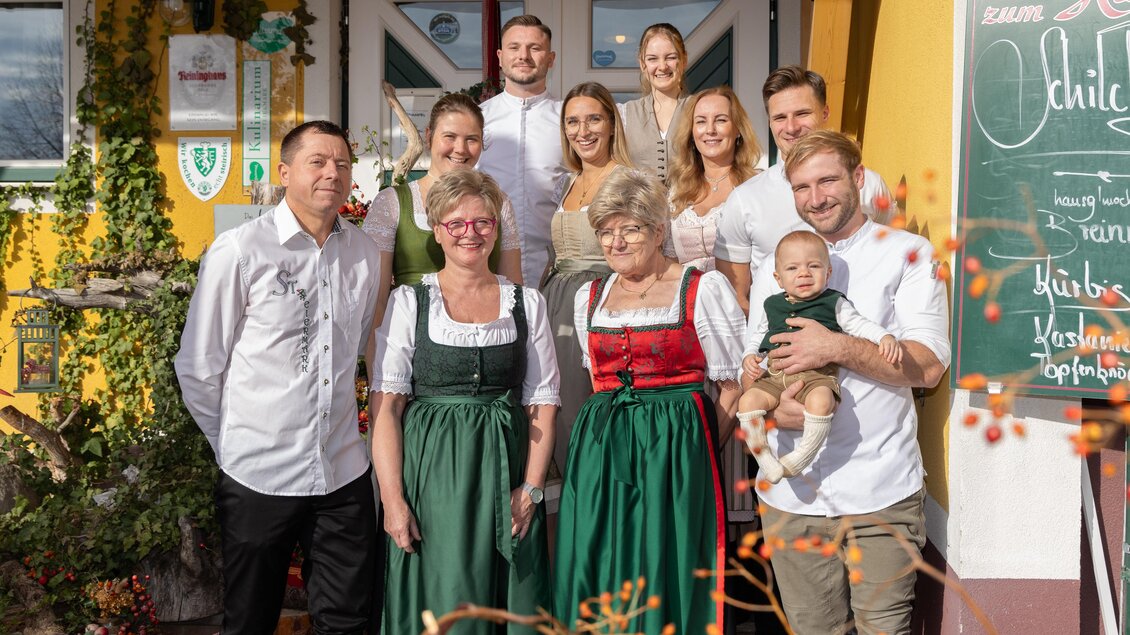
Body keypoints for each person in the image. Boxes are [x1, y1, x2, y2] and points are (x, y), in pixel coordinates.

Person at [175, 120, 382, 634]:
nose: (332, 172)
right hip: (257, 474)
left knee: (348, 619)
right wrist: (233, 447)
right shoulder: (241, 250)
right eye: (318, 161)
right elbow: (199, 367)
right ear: (284, 172)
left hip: (341, 470)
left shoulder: (364, 253)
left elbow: (355, 348)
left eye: (341, 162)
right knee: (250, 621)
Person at [746, 130, 948, 634]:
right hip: (793, 497)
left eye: (828, 180)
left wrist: (834, 347)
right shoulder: (773, 269)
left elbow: (928, 368)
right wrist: (771, 410)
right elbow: (758, 361)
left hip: (881, 492)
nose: (815, 198)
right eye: (801, 187)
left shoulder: (908, 253)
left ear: (857, 178)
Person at [555, 168, 745, 634]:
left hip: (676, 455)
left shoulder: (701, 288)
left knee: (666, 562)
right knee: (600, 561)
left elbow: (734, 385)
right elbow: (596, 377)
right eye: (605, 231)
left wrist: (697, 445)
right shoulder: (590, 296)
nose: (616, 242)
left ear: (659, 230)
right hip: (600, 457)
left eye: (630, 229)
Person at [369, 169, 559, 634]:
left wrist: (531, 490)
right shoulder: (409, 302)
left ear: (496, 228)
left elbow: (543, 403)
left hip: (506, 470)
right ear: (437, 231)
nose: (470, 234)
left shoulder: (526, 302)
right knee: (445, 591)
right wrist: (393, 501)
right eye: (456, 224)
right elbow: (387, 411)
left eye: (482, 223)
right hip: (433, 479)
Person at [715, 65, 894, 314]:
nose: (791, 127)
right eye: (779, 118)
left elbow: (893, 254)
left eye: (802, 113)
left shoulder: (868, 185)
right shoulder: (745, 200)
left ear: (825, 113)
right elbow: (736, 298)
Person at [738, 230, 900, 484]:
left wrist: (884, 337)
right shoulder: (772, 304)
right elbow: (760, 334)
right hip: (775, 376)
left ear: (828, 273)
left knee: (822, 401)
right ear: (778, 279)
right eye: (793, 268)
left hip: (816, 377)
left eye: (813, 266)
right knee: (747, 402)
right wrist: (751, 355)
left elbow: (859, 325)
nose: (804, 273)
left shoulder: (833, 302)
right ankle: (765, 459)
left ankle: (803, 454)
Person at [363, 93, 523, 320]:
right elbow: (376, 301)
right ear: (428, 136)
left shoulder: (500, 202)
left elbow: (513, 288)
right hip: (410, 338)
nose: (460, 149)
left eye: (471, 139)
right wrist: (376, 353)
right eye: (450, 136)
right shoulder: (392, 202)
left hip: (485, 333)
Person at [540, 81, 632, 477]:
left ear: (611, 123)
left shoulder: (626, 180)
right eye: (573, 122)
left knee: (585, 411)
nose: (583, 130)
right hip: (554, 302)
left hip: (599, 305)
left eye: (594, 118)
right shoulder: (567, 182)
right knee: (549, 409)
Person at [479, 14, 568, 288]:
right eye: (515, 47)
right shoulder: (478, 119)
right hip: (488, 269)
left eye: (535, 48)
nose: (524, 56)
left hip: (558, 272)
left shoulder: (569, 118)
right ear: (500, 56)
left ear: (551, 59)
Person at [666, 85, 761, 272]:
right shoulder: (677, 189)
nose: (710, 130)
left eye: (721, 120)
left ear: (738, 129)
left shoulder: (756, 185)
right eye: (701, 121)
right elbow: (669, 259)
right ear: (692, 133)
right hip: (686, 296)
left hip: (738, 296)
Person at [620, 23, 688, 181]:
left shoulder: (698, 109)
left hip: (690, 204)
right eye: (652, 59)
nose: (662, 66)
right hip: (640, 205)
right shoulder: (625, 113)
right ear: (642, 64)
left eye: (671, 57)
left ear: (684, 60)